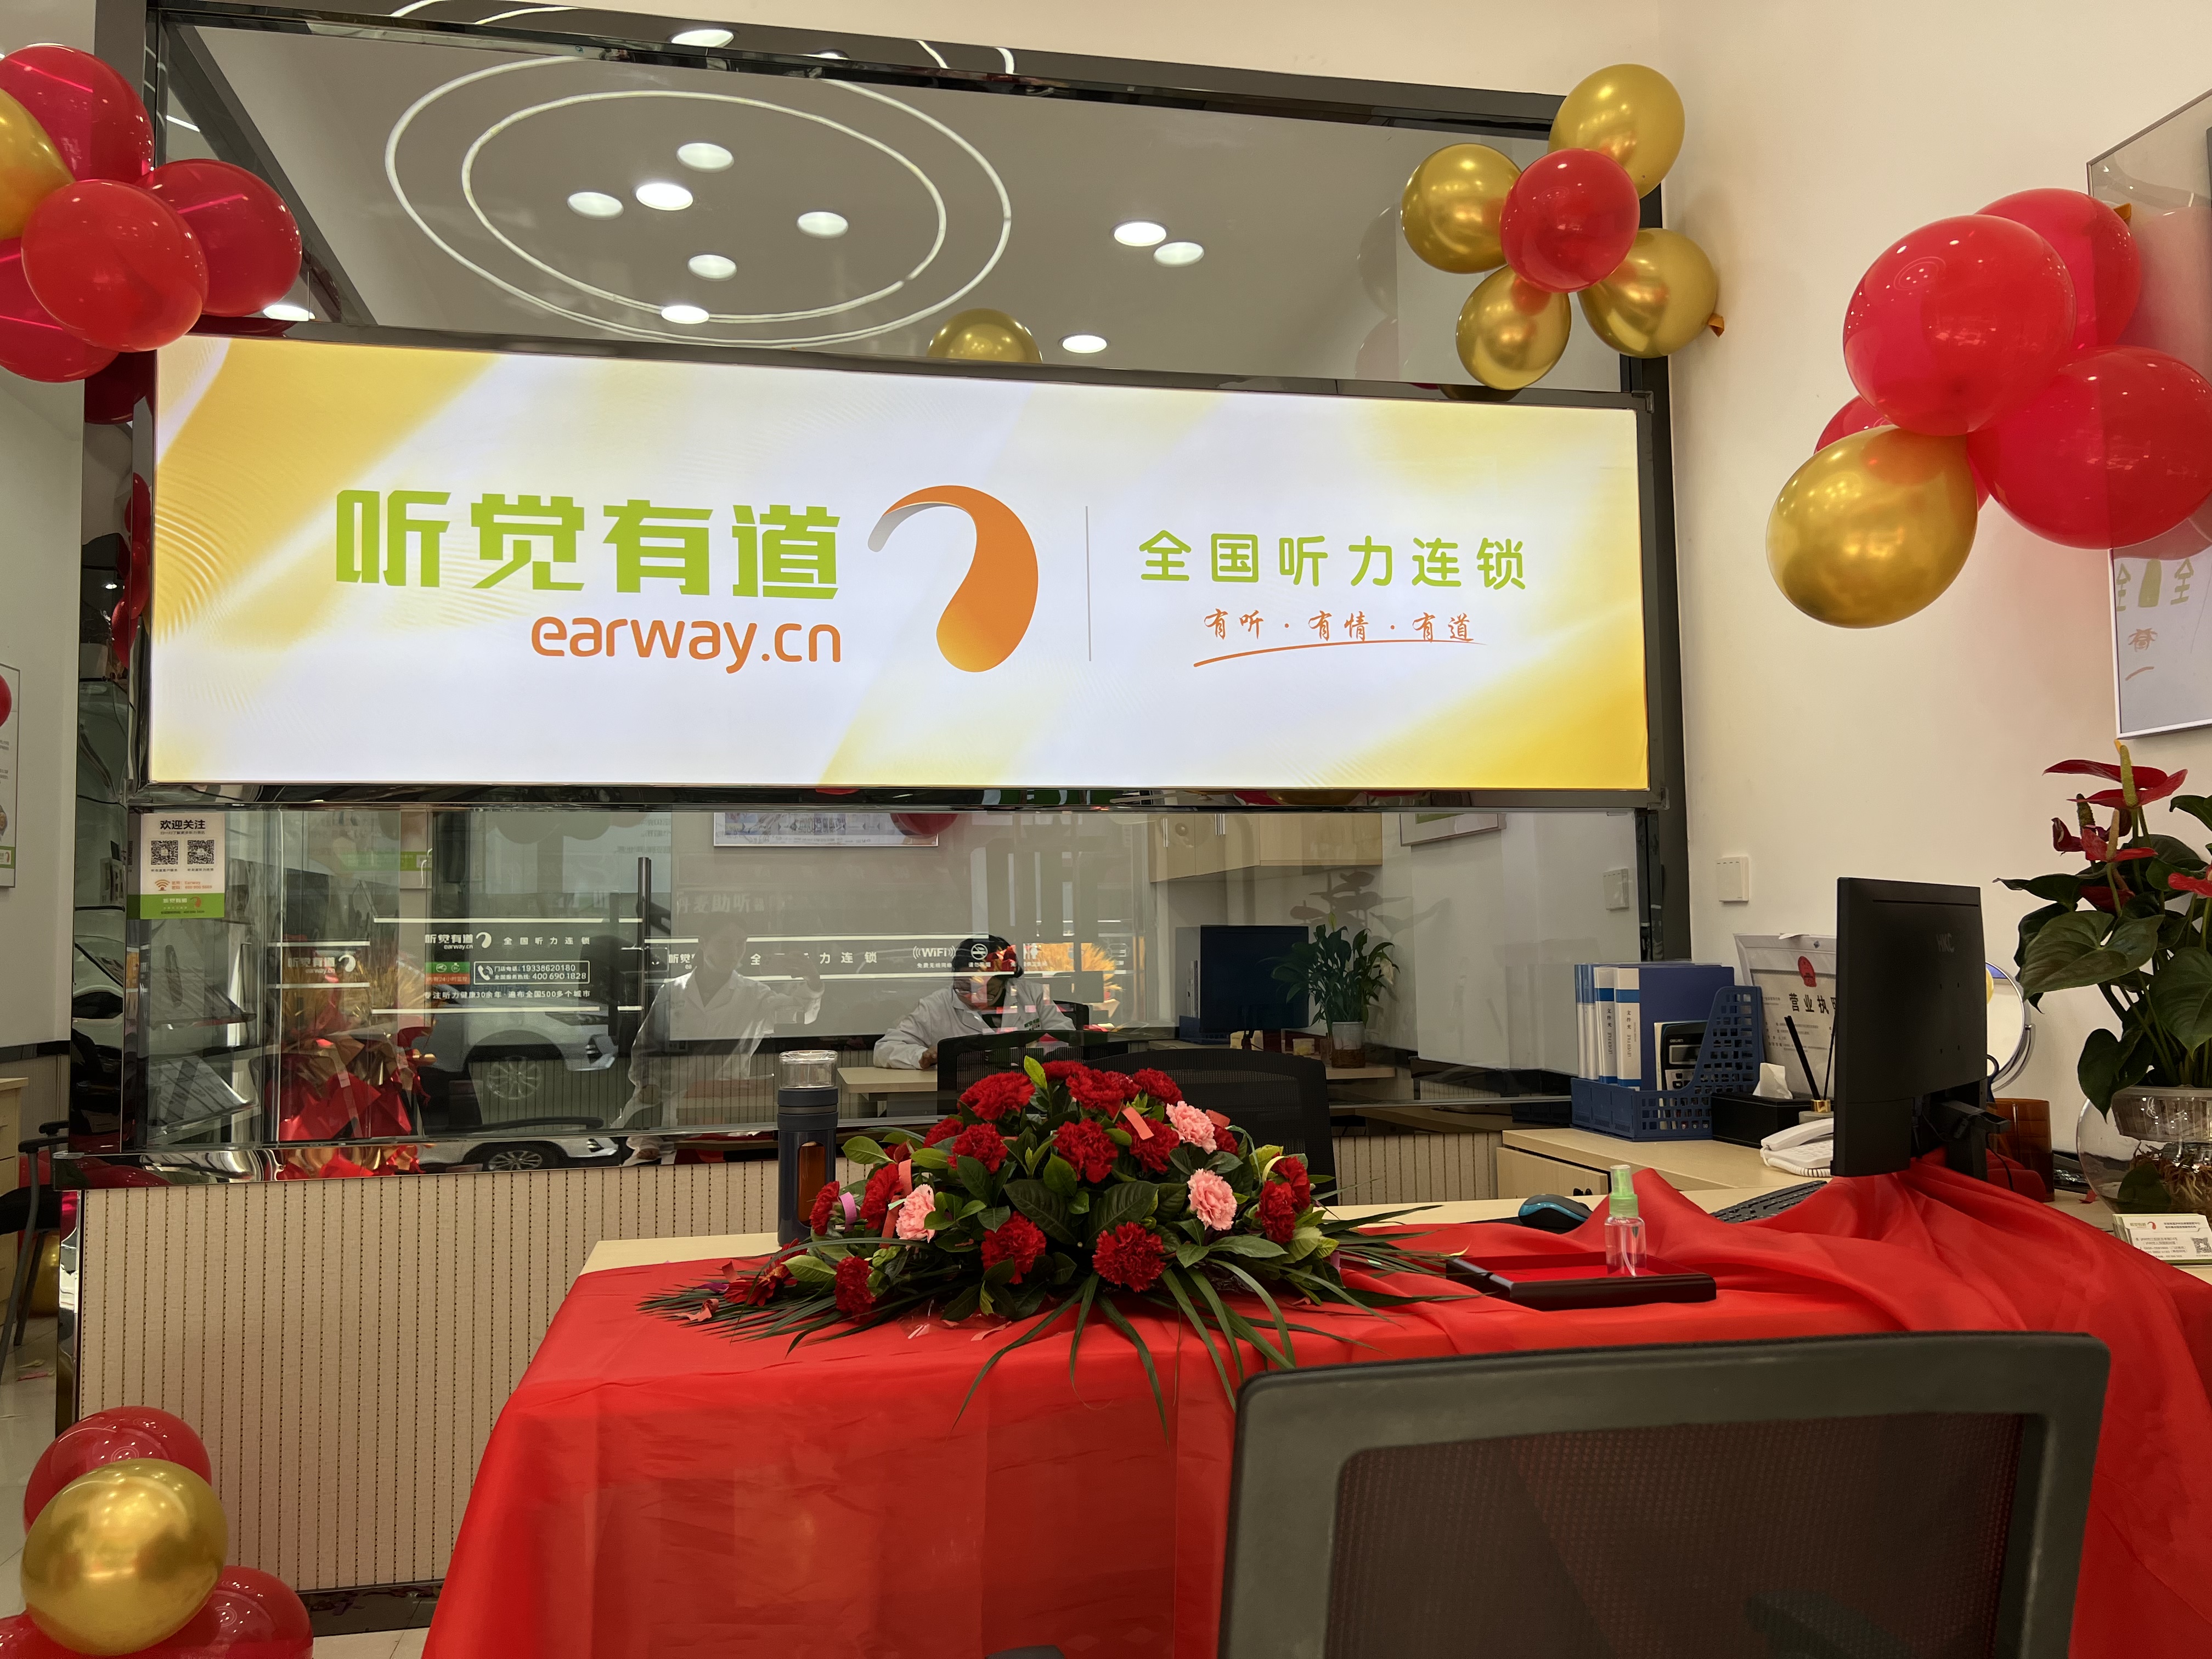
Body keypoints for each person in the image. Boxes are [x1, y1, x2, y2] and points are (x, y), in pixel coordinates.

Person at [617, 918, 823, 1149]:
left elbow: (802, 1014)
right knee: (649, 1156)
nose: (735, 951)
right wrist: (649, 1084)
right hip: (665, 1110)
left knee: (719, 1157)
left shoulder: (755, 995)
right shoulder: (673, 991)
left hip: (724, 1111)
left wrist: (812, 980)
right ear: (703, 943)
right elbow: (646, 1048)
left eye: (741, 943)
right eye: (725, 943)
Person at [873, 935, 1073, 1070]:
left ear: (1006, 981)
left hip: (1028, 1090)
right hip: (961, 1098)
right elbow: (885, 1048)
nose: (973, 998)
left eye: (986, 991)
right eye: (963, 987)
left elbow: (1066, 1037)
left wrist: (1035, 1051)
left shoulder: (1032, 995)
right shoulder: (936, 1005)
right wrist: (922, 1055)